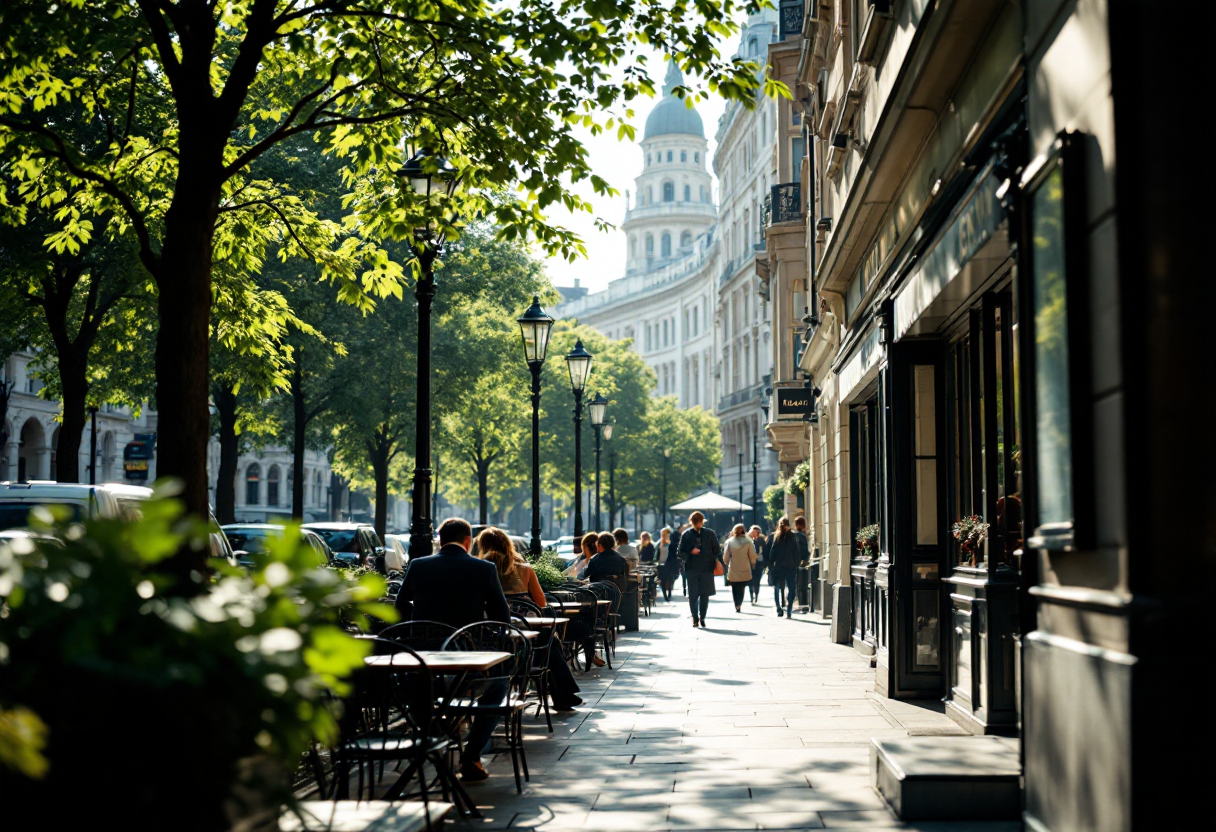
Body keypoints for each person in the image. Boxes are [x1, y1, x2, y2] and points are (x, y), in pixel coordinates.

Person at [394, 518, 510, 782]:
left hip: (421, 667)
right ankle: (471, 754)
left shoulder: (418, 565)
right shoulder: (484, 568)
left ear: (439, 538)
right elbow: (501, 619)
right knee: (499, 685)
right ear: (468, 541)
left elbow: (400, 608)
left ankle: (434, 736)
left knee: (416, 690)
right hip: (468, 667)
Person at [476, 528, 583, 713]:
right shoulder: (524, 569)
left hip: (489, 636)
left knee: (549, 639)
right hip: (527, 638)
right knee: (549, 640)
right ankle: (562, 695)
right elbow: (541, 602)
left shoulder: (480, 568)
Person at [677, 511, 722, 628]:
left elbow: (716, 550)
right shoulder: (688, 534)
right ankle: (699, 618)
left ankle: (698, 618)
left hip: (699, 567)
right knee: (700, 594)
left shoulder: (707, 533)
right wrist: (691, 552)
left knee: (698, 594)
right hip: (697, 568)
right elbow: (680, 552)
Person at [767, 515, 800, 618]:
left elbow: (773, 552)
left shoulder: (776, 536)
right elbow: (796, 552)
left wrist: (771, 564)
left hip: (779, 566)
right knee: (791, 587)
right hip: (790, 566)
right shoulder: (792, 536)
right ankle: (789, 608)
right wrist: (796, 563)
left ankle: (780, 608)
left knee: (778, 588)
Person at [722, 523, 758, 613]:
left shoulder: (729, 541)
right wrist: (753, 563)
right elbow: (752, 555)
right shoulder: (749, 541)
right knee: (742, 587)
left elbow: (726, 556)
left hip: (733, 567)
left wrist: (726, 563)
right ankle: (740, 603)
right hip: (745, 567)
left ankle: (736, 604)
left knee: (734, 587)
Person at [656, 527, 679, 602]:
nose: (665, 535)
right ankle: (665, 595)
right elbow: (656, 554)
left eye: (666, 533)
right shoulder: (659, 543)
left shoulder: (671, 543)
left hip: (670, 563)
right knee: (663, 579)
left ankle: (669, 594)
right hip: (661, 564)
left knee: (670, 579)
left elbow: (674, 553)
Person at [747, 525, 767, 604]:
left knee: (757, 580)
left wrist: (765, 563)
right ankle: (751, 596)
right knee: (750, 580)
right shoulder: (748, 539)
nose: (755, 533)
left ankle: (756, 595)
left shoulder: (761, 539)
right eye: (753, 531)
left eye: (757, 532)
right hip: (749, 562)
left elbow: (765, 551)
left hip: (759, 562)